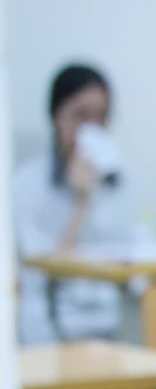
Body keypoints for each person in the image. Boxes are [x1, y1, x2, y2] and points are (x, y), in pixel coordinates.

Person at [13, 63, 141, 344]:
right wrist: (81, 202)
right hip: (53, 329)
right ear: (56, 116)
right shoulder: (27, 184)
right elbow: (41, 271)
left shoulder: (122, 181)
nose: (91, 130)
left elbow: (138, 264)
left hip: (114, 325)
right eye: (80, 116)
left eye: (101, 117)